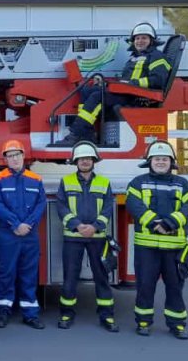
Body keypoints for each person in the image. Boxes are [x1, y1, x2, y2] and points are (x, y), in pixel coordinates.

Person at [58, 22, 172, 145]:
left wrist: (132, 83)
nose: (140, 41)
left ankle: (76, 134)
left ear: (152, 40)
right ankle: (87, 134)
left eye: (144, 38)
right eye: (137, 38)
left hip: (138, 98)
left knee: (97, 97)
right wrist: (105, 83)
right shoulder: (134, 57)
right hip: (128, 93)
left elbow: (158, 80)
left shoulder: (157, 57)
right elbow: (125, 81)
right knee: (87, 90)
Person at [126, 140, 188, 340]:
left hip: (174, 248)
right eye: (157, 159)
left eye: (165, 159)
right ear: (150, 162)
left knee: (175, 287)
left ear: (171, 162)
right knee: (145, 285)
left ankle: (177, 324)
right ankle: (144, 322)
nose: (161, 162)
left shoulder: (183, 184)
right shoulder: (137, 183)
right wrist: (155, 224)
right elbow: (134, 205)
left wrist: (170, 223)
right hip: (147, 247)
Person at [55, 141, 118, 332]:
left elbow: (108, 208)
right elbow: (61, 206)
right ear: (76, 161)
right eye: (81, 158)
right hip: (73, 236)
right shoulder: (66, 182)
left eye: (88, 158)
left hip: (97, 237)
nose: (84, 161)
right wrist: (77, 225)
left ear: (94, 161)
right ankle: (67, 313)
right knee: (70, 277)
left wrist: (95, 226)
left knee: (101, 277)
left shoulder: (104, 183)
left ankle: (106, 316)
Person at [0, 140, 47, 330]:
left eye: (17, 155)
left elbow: (41, 204)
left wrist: (28, 225)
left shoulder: (36, 179)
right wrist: (15, 224)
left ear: (23, 156)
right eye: (10, 155)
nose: (14, 158)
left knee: (29, 274)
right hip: (9, 234)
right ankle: (2, 312)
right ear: (5, 158)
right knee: (6, 273)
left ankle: (30, 314)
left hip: (29, 235)